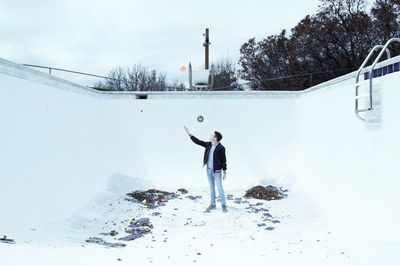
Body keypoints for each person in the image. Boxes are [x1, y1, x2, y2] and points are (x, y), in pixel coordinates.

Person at [184, 126, 228, 213]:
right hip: (208, 170)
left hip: (217, 171)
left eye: (212, 135)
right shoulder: (208, 144)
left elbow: (224, 160)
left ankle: (223, 205)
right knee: (212, 188)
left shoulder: (221, 148)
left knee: (220, 188)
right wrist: (190, 134)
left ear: (216, 138)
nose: (211, 136)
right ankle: (213, 204)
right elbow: (198, 142)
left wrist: (225, 172)